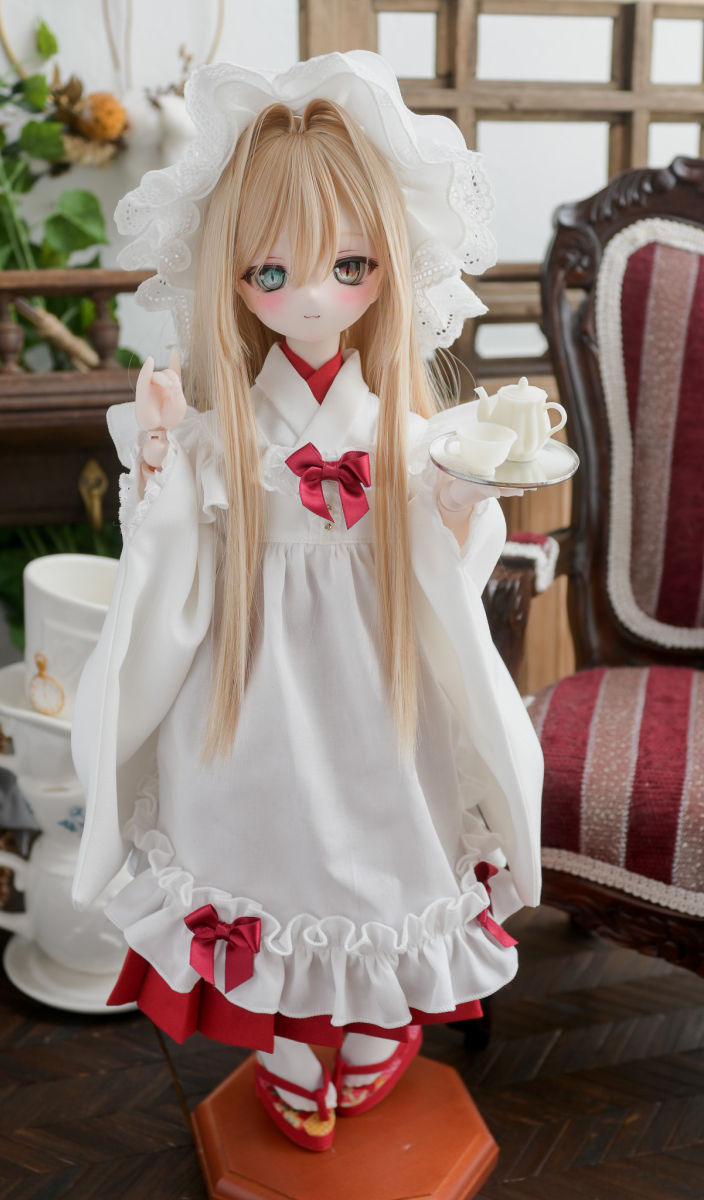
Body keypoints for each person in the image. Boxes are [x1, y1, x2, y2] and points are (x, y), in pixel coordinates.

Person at [71, 51, 543, 1152]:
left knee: (390, 844)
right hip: (247, 687)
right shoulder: (221, 436)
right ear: (230, 279)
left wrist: (462, 494)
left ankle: (380, 1025)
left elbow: (451, 559)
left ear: (389, 269)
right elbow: (168, 558)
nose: (315, 297)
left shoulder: (405, 433)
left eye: (349, 265)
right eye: (271, 273)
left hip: (380, 683)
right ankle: (282, 1044)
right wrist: (159, 459)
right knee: (253, 847)